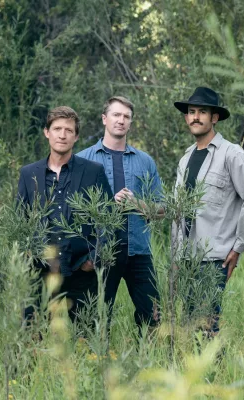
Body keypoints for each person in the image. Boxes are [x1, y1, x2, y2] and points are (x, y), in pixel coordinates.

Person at [171, 87, 244, 336]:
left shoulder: (231, 153)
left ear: (215, 118)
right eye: (191, 112)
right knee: (190, 324)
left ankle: (213, 373)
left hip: (215, 258)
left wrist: (238, 246)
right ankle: (196, 372)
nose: (196, 117)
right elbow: (178, 211)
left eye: (203, 112)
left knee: (206, 325)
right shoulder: (185, 160)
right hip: (187, 258)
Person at [17, 106, 113, 323]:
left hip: (80, 270)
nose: (62, 134)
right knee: (33, 338)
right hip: (39, 272)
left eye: (68, 130)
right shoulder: (28, 173)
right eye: (57, 128)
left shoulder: (93, 171)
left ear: (76, 136)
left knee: (86, 339)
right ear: (46, 132)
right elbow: (20, 219)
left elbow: (107, 220)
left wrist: (92, 259)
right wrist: (27, 255)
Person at [77, 96, 163, 333]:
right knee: (96, 320)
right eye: (116, 115)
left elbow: (161, 208)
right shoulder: (83, 160)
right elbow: (75, 210)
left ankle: (149, 364)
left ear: (130, 123)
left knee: (153, 316)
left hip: (138, 251)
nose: (121, 120)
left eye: (126, 117)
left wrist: (137, 203)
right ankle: (96, 365)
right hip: (100, 252)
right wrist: (107, 203)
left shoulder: (145, 161)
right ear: (105, 119)